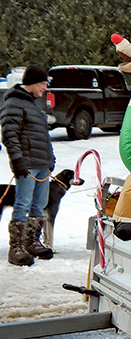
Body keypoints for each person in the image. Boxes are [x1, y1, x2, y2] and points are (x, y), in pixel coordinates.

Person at [0, 64, 56, 266]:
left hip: (42, 164)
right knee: (22, 203)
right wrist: (18, 161)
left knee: (39, 205)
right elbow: (10, 134)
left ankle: (32, 241)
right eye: (42, 84)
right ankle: (16, 247)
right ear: (32, 83)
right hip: (27, 164)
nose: (45, 88)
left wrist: (50, 159)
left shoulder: (35, 104)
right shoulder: (14, 103)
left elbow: (43, 136)